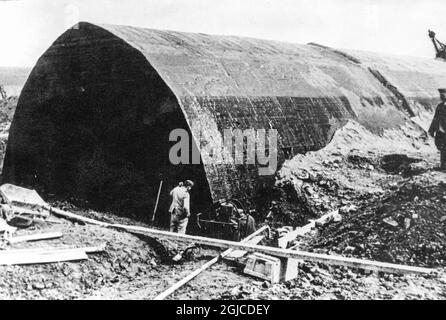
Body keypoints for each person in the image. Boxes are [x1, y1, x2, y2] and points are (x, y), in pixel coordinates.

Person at [429, 88, 446, 170]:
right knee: (440, 146)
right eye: (441, 95)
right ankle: (443, 165)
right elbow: (435, 119)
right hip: (440, 131)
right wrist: (431, 130)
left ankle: (444, 166)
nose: (441, 96)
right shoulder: (440, 106)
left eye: (443, 94)